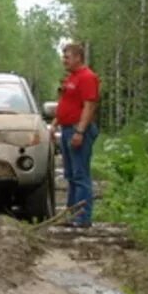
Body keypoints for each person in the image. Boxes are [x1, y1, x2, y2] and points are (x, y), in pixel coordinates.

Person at [55, 42, 99, 228]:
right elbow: (66, 103)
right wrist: (55, 124)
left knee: (81, 175)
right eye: (63, 56)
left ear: (78, 57)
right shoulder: (71, 78)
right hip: (66, 129)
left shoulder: (87, 77)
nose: (64, 60)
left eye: (67, 56)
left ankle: (82, 217)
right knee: (71, 175)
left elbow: (89, 106)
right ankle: (72, 214)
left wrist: (80, 131)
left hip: (78, 130)